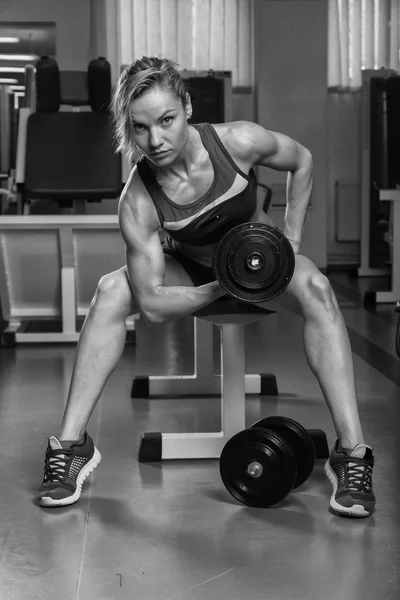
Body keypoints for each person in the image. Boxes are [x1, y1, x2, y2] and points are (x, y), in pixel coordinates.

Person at [37, 56, 375, 517]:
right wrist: (220, 287)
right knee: (111, 291)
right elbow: (154, 305)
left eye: (166, 121)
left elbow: (303, 160)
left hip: (261, 264)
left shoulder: (238, 141)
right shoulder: (138, 200)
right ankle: (71, 447)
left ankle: (351, 454)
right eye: (139, 128)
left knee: (318, 290)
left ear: (188, 107)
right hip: (195, 275)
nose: (155, 140)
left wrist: (290, 240)